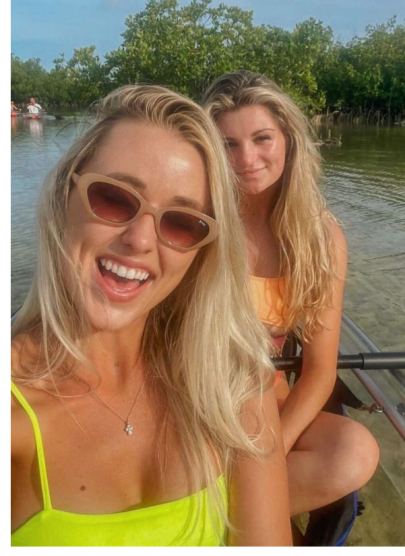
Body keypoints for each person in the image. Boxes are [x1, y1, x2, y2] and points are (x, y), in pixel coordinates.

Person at [11, 85, 292, 546]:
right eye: (115, 199)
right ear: (65, 196)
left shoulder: (233, 384)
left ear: (202, 253)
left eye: (182, 222)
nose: (141, 240)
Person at [202, 72, 378, 523]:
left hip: (267, 401)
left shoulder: (320, 238)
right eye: (227, 144)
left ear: (289, 140)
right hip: (195, 394)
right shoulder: (196, 219)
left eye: (262, 138)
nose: (246, 159)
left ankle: (221, 517)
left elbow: (319, 371)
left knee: (355, 451)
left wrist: (269, 454)